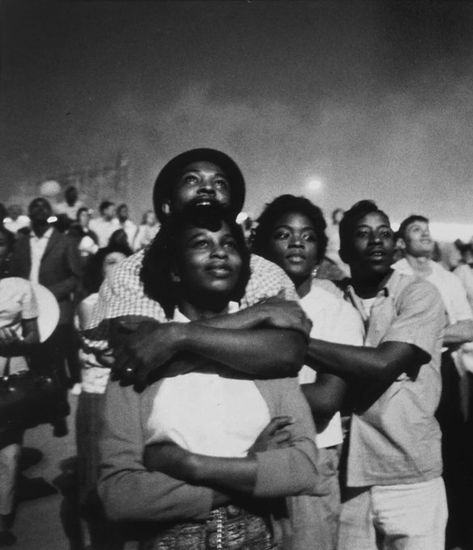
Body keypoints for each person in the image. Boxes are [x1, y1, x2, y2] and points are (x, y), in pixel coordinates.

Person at [98, 207, 320, 549]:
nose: (220, 252)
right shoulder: (143, 355)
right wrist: (251, 467)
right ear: (174, 269)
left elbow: (302, 467)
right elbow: (120, 495)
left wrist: (190, 465)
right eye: (201, 243)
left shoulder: (268, 353)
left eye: (230, 244)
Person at [83, 149, 308, 385]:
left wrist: (173, 335)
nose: (208, 188)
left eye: (220, 183)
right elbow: (139, 355)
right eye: (192, 179)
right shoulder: (131, 271)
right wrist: (257, 315)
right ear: (167, 205)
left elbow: (285, 352)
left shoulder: (263, 271)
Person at [302, 201, 446, 550]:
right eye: (363, 235)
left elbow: (382, 364)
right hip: (348, 478)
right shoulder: (329, 297)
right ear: (346, 250)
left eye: (384, 234)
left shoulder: (419, 293)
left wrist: (295, 344)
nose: (377, 242)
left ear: (397, 245)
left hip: (409, 472)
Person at [253, 195, 364, 550]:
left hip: (312, 455)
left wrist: (244, 401)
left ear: (320, 250)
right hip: (245, 454)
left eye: (308, 236)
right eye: (284, 234)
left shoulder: (336, 313)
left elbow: (326, 400)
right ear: (263, 244)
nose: (297, 242)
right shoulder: (239, 307)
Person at [394, 214, 473, 550]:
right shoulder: (395, 276)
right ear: (401, 241)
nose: (425, 236)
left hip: (442, 369)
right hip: (403, 371)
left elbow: (468, 327)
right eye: (416, 231)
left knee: (452, 450)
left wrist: (422, 332)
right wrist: (437, 332)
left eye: (427, 231)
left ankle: (453, 536)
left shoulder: (447, 278)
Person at [74, 244, 131, 550]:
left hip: (127, 394)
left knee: (124, 477)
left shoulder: (138, 302)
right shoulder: (91, 303)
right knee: (94, 478)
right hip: (98, 395)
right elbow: (110, 355)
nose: (118, 269)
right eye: (111, 263)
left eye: (124, 263)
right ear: (99, 268)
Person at [9, 197, 83, 395]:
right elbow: (15, 276)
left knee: (61, 350)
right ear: (29, 214)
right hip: (29, 307)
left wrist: (50, 292)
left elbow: (75, 277)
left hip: (58, 306)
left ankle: (71, 384)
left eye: (44, 206)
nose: (39, 209)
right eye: (35, 206)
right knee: (35, 353)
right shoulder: (21, 243)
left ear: (51, 214)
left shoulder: (65, 242)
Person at [0, 226, 40, 546]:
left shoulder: (21, 288)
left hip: (10, 373)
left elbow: (33, 336)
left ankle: (3, 518)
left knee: (9, 451)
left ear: (9, 250)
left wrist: (18, 341)